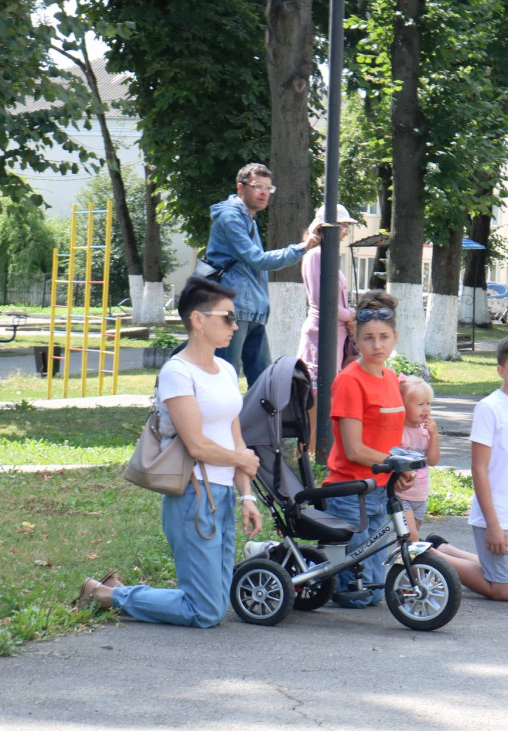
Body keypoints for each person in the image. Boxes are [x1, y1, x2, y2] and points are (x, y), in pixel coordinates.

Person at [76, 277, 263, 626]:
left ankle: (115, 591)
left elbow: (235, 437)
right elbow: (197, 444)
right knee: (206, 612)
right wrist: (241, 459)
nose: (235, 326)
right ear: (198, 319)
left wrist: (246, 497)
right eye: (228, 317)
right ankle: (104, 593)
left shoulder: (225, 370)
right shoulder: (177, 371)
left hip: (222, 495)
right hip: (193, 494)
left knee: (215, 603)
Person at [432, 334, 508, 602]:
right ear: (501, 370)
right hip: (498, 516)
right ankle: (430, 555)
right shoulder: (490, 408)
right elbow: (479, 469)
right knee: (504, 591)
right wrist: (493, 525)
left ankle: (447, 549)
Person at [324, 289, 411, 608]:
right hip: (350, 493)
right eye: (369, 338)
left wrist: (397, 471)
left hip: (380, 489)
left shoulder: (390, 378)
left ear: (395, 337)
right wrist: (397, 463)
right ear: (355, 340)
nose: (377, 345)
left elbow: (388, 440)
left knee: (374, 594)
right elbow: (355, 450)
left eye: (384, 337)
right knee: (357, 598)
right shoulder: (350, 380)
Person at [206, 163, 319, 385]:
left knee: (263, 384)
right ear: (241, 187)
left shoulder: (249, 218)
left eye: (268, 188)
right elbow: (257, 259)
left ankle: (257, 421)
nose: (264, 192)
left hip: (253, 312)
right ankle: (223, 420)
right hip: (232, 310)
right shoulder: (230, 217)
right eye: (258, 186)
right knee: (224, 380)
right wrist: (302, 247)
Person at [297, 203, 360, 452]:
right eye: (342, 226)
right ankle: (309, 452)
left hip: (334, 335)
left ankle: (318, 451)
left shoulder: (327, 255)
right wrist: (354, 315)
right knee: (315, 396)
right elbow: (326, 305)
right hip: (320, 336)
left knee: (327, 395)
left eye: (345, 227)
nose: (345, 232)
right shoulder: (316, 255)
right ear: (326, 229)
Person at [397, 375, 440, 540]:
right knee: (412, 539)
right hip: (402, 495)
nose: (426, 409)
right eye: (420, 404)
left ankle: (402, 565)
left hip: (421, 495)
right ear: (404, 406)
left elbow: (433, 460)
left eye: (428, 404)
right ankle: (415, 566)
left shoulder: (426, 430)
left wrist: (434, 435)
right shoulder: (399, 431)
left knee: (406, 543)